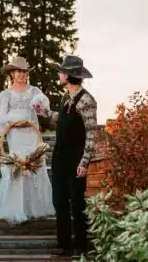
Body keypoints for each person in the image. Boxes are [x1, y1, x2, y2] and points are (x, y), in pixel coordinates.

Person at [35, 55, 97, 257]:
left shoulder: (86, 100)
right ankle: (64, 244)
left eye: (61, 71)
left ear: (68, 75)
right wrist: (44, 112)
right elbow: (60, 120)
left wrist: (84, 162)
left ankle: (81, 244)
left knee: (77, 203)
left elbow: (91, 134)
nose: (59, 74)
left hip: (76, 159)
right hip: (60, 157)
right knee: (59, 201)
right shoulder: (65, 98)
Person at [0, 56, 55, 224]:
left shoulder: (34, 91)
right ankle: (16, 207)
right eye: (17, 72)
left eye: (23, 72)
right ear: (12, 73)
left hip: (31, 134)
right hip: (15, 134)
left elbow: (44, 108)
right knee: (17, 165)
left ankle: (35, 207)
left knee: (34, 163)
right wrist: (14, 122)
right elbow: (0, 119)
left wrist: (40, 105)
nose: (21, 75)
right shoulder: (5, 94)